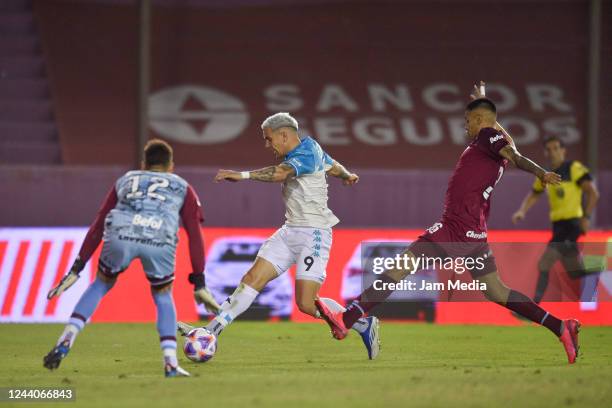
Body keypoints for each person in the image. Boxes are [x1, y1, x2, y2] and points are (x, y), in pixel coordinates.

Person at [316, 82, 581, 364]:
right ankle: (561, 327)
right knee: (496, 291)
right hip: (473, 233)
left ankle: (349, 318)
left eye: (468, 121)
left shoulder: (487, 137)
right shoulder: (493, 141)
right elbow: (510, 146)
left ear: (480, 121)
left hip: (455, 228)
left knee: (403, 265)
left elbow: (514, 155)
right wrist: (483, 103)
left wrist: (540, 172)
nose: (465, 127)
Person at [178, 112, 381, 359]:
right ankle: (210, 332)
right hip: (289, 231)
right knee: (252, 278)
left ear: (284, 135)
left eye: (269, 138)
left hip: (314, 234)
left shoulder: (304, 154)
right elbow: (332, 165)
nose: (267, 144)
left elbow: (280, 174)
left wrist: (242, 175)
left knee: (306, 304)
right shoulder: (313, 150)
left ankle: (361, 324)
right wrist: (347, 175)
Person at [43, 139, 220, 377]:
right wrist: (199, 282)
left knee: (101, 284)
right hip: (159, 236)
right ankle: (169, 362)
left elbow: (98, 224)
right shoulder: (182, 186)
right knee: (163, 295)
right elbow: (194, 233)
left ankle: (68, 336)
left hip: (121, 234)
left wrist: (77, 267)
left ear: (143, 164)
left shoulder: (126, 180)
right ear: (171, 166)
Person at [512, 136, 600, 303]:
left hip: (573, 224)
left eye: (556, 148)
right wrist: (522, 211)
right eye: (549, 149)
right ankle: (596, 283)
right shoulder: (545, 174)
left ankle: (532, 308)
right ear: (545, 152)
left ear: (563, 150)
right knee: (574, 272)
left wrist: (586, 217)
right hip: (558, 226)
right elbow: (534, 194)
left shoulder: (573, 168)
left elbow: (593, 193)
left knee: (544, 263)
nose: (552, 152)